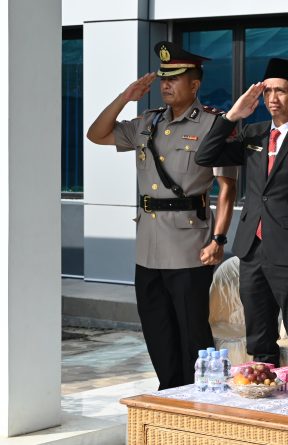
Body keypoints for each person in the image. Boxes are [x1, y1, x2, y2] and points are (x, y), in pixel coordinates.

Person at [86, 41, 238, 390]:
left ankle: (198, 394)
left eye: (175, 79)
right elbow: (96, 134)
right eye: (163, 79)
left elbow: (227, 188)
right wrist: (125, 97)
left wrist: (218, 239)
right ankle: (168, 391)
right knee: (156, 328)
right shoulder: (147, 121)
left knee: (192, 329)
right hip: (148, 247)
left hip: (189, 246)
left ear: (194, 85)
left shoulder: (215, 124)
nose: (166, 85)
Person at [195, 58, 288, 382]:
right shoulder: (253, 133)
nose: (273, 98)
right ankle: (263, 397)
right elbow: (205, 155)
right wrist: (232, 116)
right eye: (268, 91)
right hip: (252, 250)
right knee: (259, 339)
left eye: (280, 91)